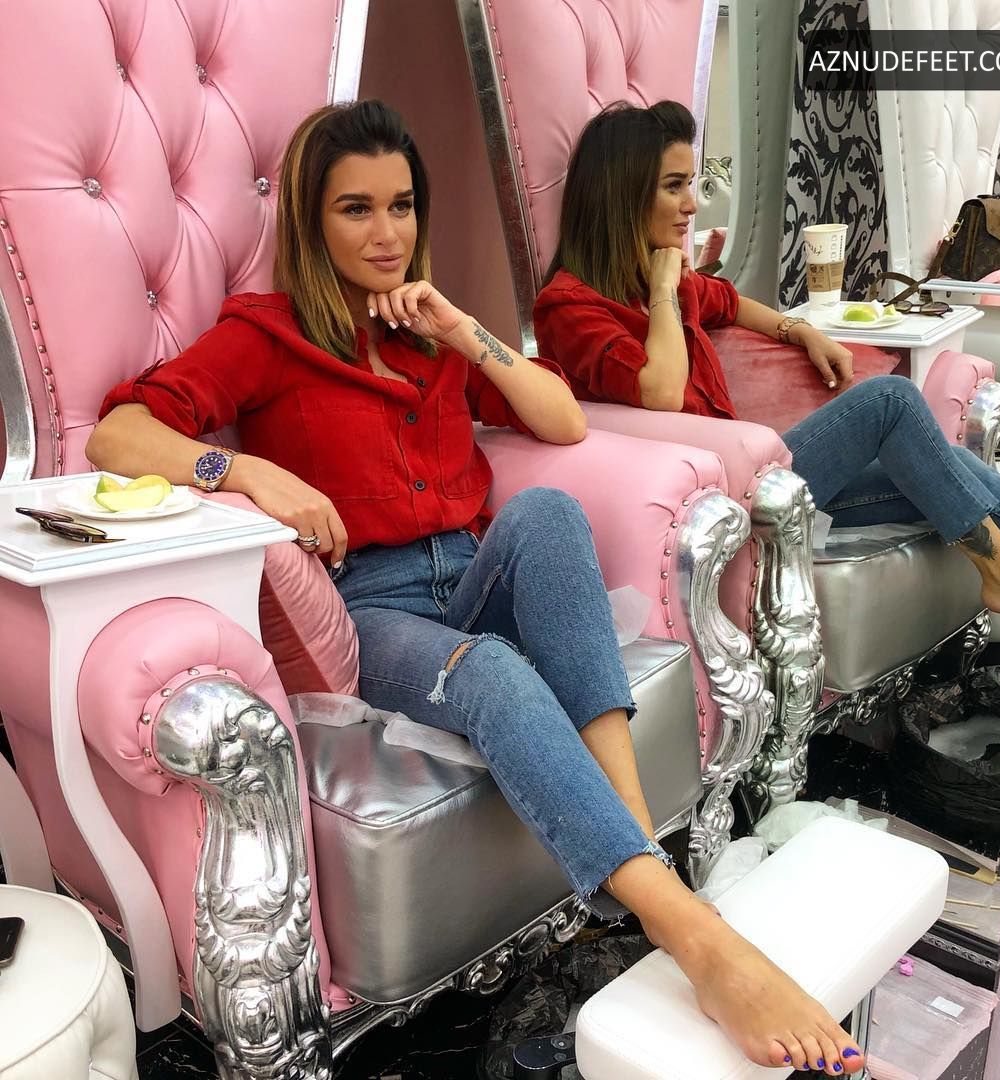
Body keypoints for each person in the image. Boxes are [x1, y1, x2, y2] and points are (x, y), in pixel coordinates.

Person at [86, 99, 864, 1074]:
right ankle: (691, 933)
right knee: (494, 671)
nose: (386, 233)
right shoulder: (267, 334)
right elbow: (119, 433)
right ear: (312, 224)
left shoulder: (429, 335)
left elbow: (561, 420)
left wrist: (458, 327)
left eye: (402, 206)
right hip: (373, 612)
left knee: (549, 513)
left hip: (471, 567)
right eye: (356, 209)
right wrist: (244, 471)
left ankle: (639, 860)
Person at [535, 100, 1000, 617]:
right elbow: (661, 391)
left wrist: (802, 330)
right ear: (622, 196)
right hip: (707, 515)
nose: (692, 205)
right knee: (890, 402)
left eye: (690, 184)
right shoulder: (570, 306)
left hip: (755, 483)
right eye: (674, 186)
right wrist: (664, 291)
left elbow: (733, 304)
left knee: (948, 465)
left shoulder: (666, 280)